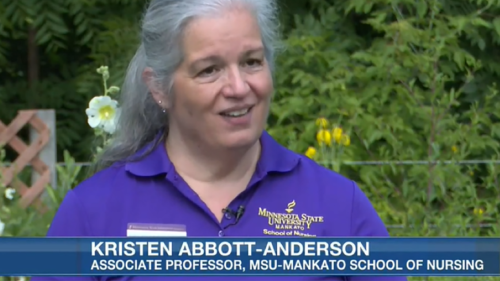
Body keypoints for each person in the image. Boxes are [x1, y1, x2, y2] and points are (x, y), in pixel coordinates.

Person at [32, 0, 407, 280]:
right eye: (209, 69)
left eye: (252, 62)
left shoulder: (340, 206)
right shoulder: (93, 212)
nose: (239, 87)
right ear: (159, 88)